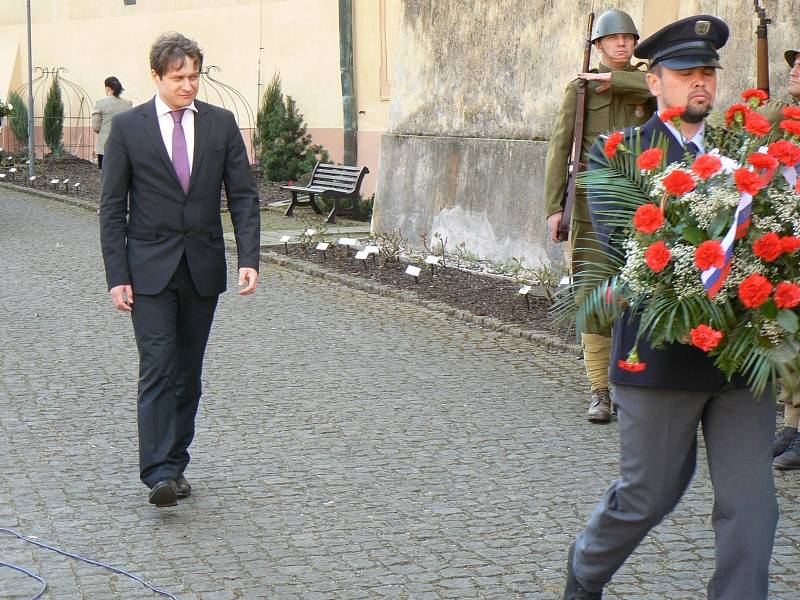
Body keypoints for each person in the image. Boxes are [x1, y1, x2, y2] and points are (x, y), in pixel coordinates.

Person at [564, 16, 778, 599]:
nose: (699, 84)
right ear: (654, 82)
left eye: (707, 72)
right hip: (659, 357)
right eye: (685, 73)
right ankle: (585, 571)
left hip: (740, 360)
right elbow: (626, 248)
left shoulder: (746, 156)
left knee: (751, 507)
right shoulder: (621, 156)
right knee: (649, 495)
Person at [99, 32, 261, 508]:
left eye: (194, 76)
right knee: (157, 367)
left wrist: (248, 257)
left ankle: (176, 461)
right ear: (156, 76)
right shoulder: (129, 127)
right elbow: (112, 207)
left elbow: (244, 196)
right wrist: (116, 274)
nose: (189, 85)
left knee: (188, 373)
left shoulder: (221, 124)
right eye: (179, 78)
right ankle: (158, 474)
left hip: (202, 268)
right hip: (146, 270)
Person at [543, 9, 655, 423]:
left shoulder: (647, 82)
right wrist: (555, 208)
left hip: (642, 206)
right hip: (592, 206)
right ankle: (599, 390)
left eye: (628, 38)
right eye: (614, 39)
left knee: (639, 295)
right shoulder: (580, 91)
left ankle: (634, 384)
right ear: (599, 45)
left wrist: (618, 80)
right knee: (594, 296)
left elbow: (666, 94)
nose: (622, 45)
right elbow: (560, 149)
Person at [757, 49, 800, 469]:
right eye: (795, 61)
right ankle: (792, 422)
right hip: (786, 236)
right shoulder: (781, 114)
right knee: (787, 332)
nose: (796, 68)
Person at [91, 76, 132, 169]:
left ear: (107, 88)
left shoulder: (100, 103)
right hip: (124, 147)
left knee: (105, 176)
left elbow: (95, 127)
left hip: (105, 147)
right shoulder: (128, 104)